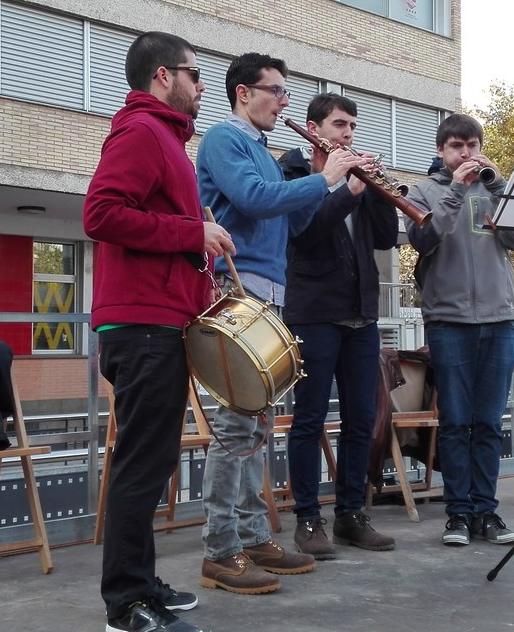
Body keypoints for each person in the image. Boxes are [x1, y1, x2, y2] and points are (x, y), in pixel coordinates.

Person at [196, 53, 369, 594]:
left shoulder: (265, 153)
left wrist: (332, 184)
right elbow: (253, 200)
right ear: (244, 92)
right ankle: (219, 548)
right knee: (235, 426)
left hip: (269, 293)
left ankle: (251, 536)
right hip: (235, 288)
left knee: (257, 424)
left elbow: (295, 225)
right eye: (276, 90)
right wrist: (325, 179)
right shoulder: (225, 139)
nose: (284, 101)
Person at [84, 31, 234, 632]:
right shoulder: (142, 131)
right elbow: (100, 213)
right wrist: (192, 232)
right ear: (163, 76)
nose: (203, 86)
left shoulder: (165, 138)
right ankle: (125, 604)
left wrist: (201, 270)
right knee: (142, 466)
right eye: (195, 74)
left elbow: (159, 230)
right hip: (142, 326)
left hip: (159, 322)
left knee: (152, 462)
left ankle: (141, 583)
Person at [278, 93, 399, 559]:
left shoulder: (355, 178)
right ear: (314, 129)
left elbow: (385, 239)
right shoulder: (293, 174)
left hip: (360, 314)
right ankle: (308, 519)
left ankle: (351, 514)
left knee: (361, 419)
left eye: (352, 126)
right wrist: (345, 192)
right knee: (309, 419)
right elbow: (303, 235)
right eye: (339, 124)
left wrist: (376, 189)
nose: (348, 133)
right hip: (313, 313)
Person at [404, 113, 514, 547]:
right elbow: (424, 240)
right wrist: (456, 190)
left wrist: (500, 188)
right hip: (449, 320)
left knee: (489, 422)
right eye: (457, 146)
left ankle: (486, 511)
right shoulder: (423, 190)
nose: (466, 154)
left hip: (499, 318)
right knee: (456, 422)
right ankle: (458, 513)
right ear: (441, 150)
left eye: (472, 146)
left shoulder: (496, 189)